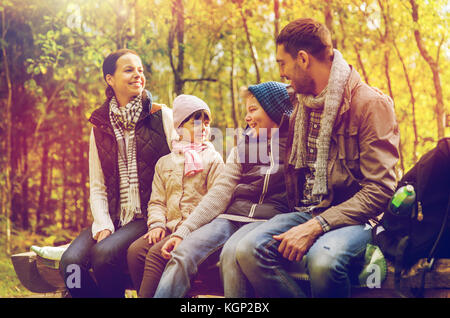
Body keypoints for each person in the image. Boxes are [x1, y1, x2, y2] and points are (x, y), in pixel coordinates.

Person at [232, 18, 400, 297]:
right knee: (247, 249)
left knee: (322, 262)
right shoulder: (302, 103)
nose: (281, 73)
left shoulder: (370, 105)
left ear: (303, 59)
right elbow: (262, 114)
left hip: (357, 219)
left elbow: (380, 190)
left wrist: (318, 225)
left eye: (282, 63)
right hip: (306, 211)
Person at [153, 81, 294, 298]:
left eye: (253, 110)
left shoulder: (297, 145)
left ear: (274, 110)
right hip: (231, 217)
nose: (247, 118)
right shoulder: (243, 147)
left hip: (266, 220)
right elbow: (219, 193)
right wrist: (184, 231)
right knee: (182, 253)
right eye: (246, 111)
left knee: (231, 255)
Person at [59, 49, 175, 298]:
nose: (138, 76)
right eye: (129, 70)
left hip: (147, 216)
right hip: (113, 217)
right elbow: (98, 185)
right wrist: (102, 225)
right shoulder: (100, 124)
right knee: (70, 264)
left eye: (140, 70)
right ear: (110, 79)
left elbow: (182, 167)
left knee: (103, 254)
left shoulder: (161, 115)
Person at [126, 94, 224, 298]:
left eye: (207, 121)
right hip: (169, 226)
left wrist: (188, 229)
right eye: (196, 121)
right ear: (179, 126)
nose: (204, 127)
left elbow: (218, 200)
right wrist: (157, 225)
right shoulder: (165, 163)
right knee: (135, 251)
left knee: (155, 255)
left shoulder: (213, 159)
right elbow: (157, 202)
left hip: (197, 229)